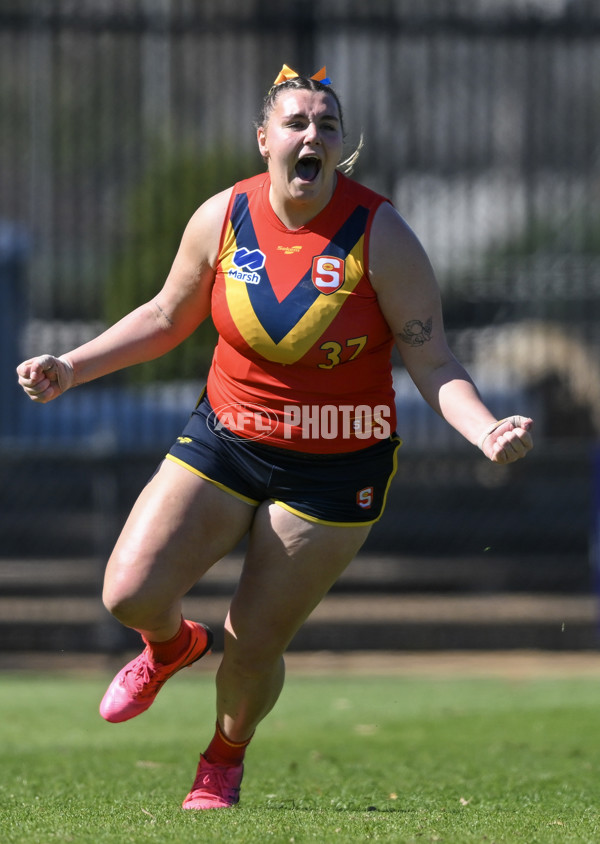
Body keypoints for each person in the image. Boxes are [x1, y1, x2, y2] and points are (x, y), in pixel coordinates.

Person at [16, 64, 533, 810]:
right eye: (296, 123)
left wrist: (485, 431)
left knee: (252, 640)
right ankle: (170, 646)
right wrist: (71, 365)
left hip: (336, 463)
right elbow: (166, 317)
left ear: (340, 144)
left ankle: (221, 761)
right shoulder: (223, 216)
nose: (311, 136)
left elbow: (432, 357)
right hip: (228, 438)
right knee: (128, 591)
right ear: (264, 139)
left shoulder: (379, 233)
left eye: (326, 125)